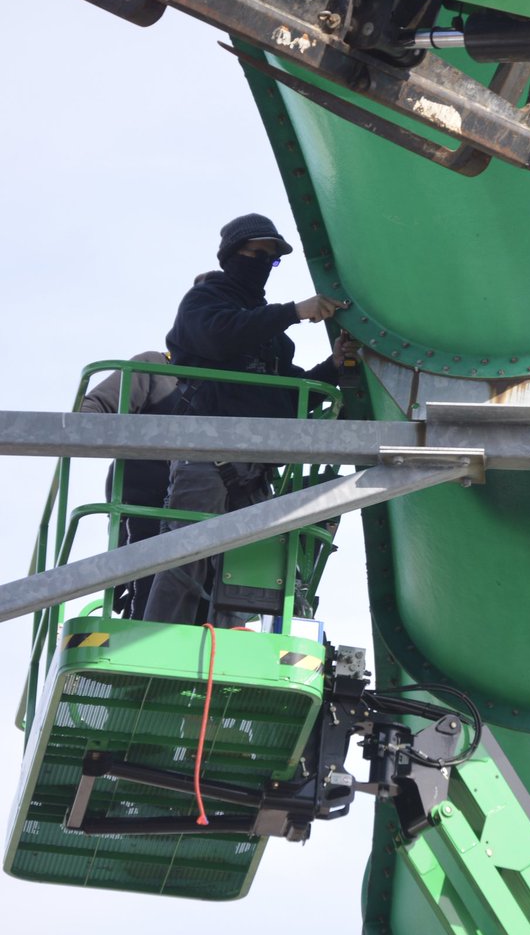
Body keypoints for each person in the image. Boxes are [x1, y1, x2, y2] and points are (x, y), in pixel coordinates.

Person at [143, 213, 353, 627]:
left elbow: (291, 393)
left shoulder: (270, 334)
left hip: (252, 468)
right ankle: (156, 637)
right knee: (185, 554)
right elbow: (221, 337)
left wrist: (332, 367)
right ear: (231, 255)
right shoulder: (204, 302)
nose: (264, 263)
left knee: (250, 564)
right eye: (257, 253)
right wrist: (293, 311)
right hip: (205, 455)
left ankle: (233, 637)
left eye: (272, 258)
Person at [81, 350, 179, 618]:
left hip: (214, 512)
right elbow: (92, 411)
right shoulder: (156, 368)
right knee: (149, 596)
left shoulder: (239, 379)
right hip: (147, 503)